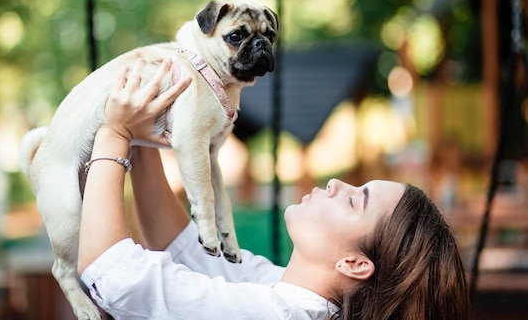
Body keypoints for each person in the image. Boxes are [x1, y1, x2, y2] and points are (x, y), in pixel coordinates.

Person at [77, 58, 470, 320]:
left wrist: (115, 132)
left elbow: (109, 272)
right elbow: (183, 250)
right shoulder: (290, 294)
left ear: (354, 264)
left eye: (354, 200)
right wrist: (144, 138)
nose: (335, 183)